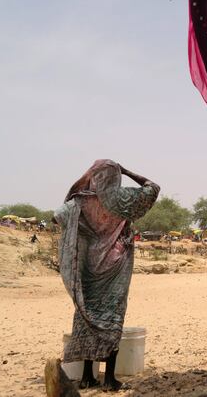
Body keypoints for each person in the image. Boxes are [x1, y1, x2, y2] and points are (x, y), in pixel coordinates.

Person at [53, 160, 159, 391]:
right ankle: (109, 378)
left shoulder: (80, 201)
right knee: (112, 316)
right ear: (115, 177)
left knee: (88, 316)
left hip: (90, 266)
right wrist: (127, 171)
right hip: (115, 265)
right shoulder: (122, 199)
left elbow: (57, 217)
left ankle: (86, 377)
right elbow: (153, 187)